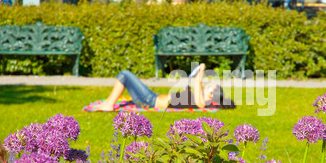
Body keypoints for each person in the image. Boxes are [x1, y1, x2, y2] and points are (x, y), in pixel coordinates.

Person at [95, 64, 235, 111]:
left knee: (125, 74)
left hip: (149, 100)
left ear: (211, 96)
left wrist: (202, 71)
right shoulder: (195, 96)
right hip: (151, 97)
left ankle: (109, 105)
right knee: (124, 76)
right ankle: (108, 103)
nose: (208, 86)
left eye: (211, 87)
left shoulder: (201, 102)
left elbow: (197, 83)